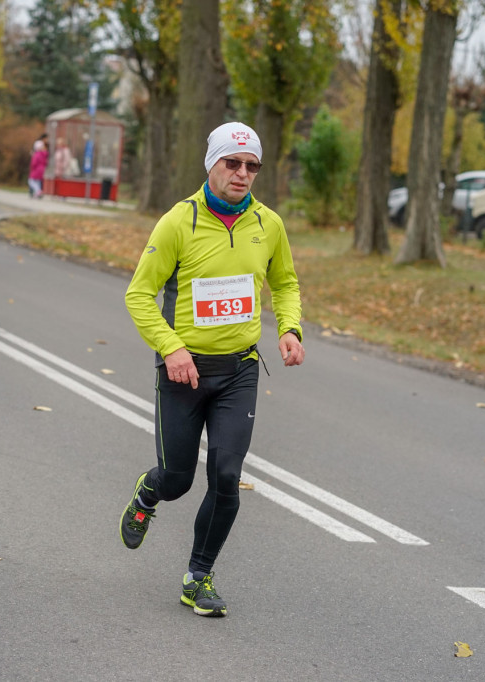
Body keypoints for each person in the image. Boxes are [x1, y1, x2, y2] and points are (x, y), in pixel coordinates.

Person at [119, 121, 305, 617]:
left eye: (251, 166)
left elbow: (284, 282)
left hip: (239, 370)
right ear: (212, 165)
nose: (242, 174)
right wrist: (172, 348)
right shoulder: (178, 222)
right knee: (179, 480)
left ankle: (197, 577)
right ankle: (148, 492)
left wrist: (290, 328)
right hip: (183, 371)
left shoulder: (269, 225)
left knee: (226, 475)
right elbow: (139, 295)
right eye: (233, 163)